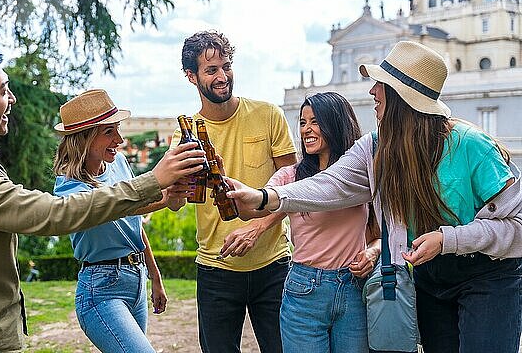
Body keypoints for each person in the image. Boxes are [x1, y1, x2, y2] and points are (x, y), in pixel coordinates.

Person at [227, 41, 522, 353]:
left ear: (401, 97)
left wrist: (447, 239)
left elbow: (517, 228)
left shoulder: (473, 147)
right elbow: (329, 185)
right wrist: (264, 197)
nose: (372, 93)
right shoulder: (375, 148)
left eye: (380, 85)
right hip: (431, 276)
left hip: (489, 275)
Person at [0, 44, 205, 353]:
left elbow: (128, 220)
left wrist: (163, 196)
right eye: (3, 91)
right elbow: (56, 214)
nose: (12, 99)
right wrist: (154, 180)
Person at [223, 92, 380, 353]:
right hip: (305, 291)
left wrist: (372, 253)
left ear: (336, 124)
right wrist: (231, 191)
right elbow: (254, 209)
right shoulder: (291, 176)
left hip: (353, 288)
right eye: (303, 122)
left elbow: (380, 234)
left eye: (315, 121)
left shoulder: (360, 177)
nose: (307, 129)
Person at [174, 31, 297, 353]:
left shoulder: (268, 115)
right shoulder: (185, 134)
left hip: (274, 265)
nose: (222, 76)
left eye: (226, 66)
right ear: (191, 76)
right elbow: (175, 199)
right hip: (216, 269)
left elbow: (297, 187)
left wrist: (257, 228)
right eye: (211, 70)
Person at [52, 89, 172, 352]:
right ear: (84, 137)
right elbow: (112, 207)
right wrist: (162, 198)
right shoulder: (69, 187)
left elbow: (134, 224)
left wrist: (155, 276)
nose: (119, 139)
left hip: (136, 279)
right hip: (101, 289)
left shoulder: (117, 162)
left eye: (117, 129)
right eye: (108, 132)